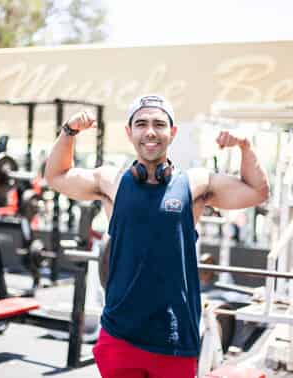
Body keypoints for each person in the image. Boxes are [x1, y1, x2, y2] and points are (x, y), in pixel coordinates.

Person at [44, 94, 269, 378]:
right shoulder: (110, 181)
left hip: (175, 338)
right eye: (141, 124)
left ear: (172, 132)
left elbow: (257, 191)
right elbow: (56, 175)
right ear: (129, 132)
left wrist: (245, 146)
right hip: (120, 334)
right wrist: (69, 132)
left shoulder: (195, 183)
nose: (150, 131)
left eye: (159, 124)